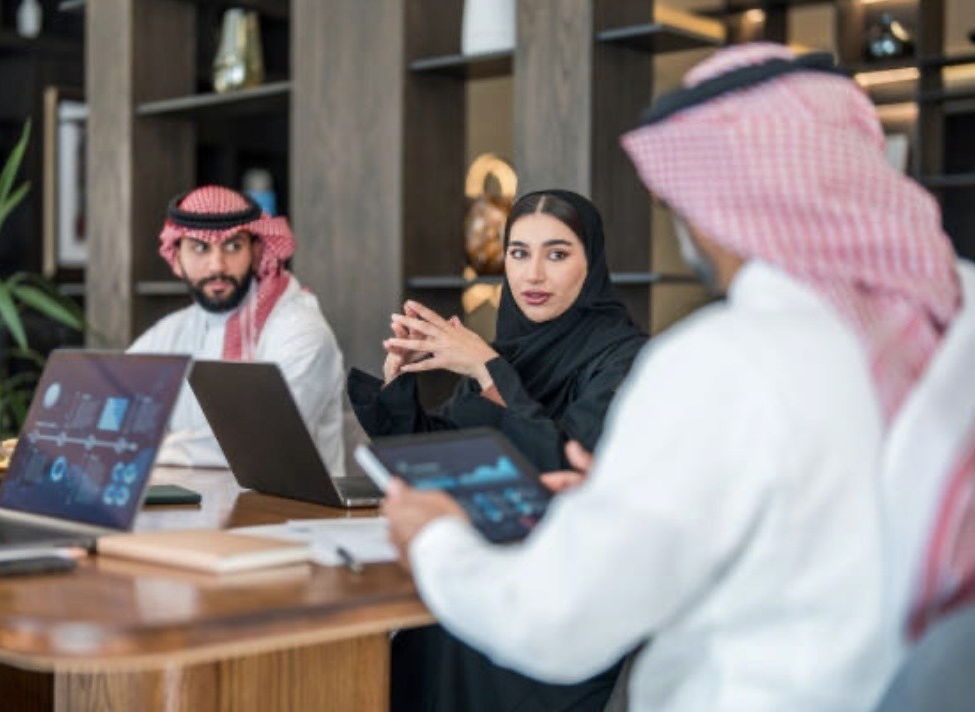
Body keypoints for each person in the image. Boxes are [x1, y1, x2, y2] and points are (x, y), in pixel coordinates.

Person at [381, 43, 975, 711]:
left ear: (711, 207)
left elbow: (556, 621)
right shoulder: (957, 317)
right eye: (520, 253)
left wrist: (432, 537)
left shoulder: (722, 361)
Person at [350, 189, 647, 711]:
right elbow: (446, 457)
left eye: (557, 254)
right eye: (518, 253)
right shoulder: (511, 348)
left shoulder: (624, 357)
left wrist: (489, 370)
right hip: (474, 581)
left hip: (549, 606)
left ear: (591, 263)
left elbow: (564, 467)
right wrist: (402, 383)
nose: (533, 275)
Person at [129, 185, 345, 473]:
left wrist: (160, 447)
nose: (217, 265)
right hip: (195, 507)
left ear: (256, 251)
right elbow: (112, 403)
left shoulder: (299, 331)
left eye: (233, 246)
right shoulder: (171, 332)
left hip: (293, 514)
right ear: (176, 257)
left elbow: (264, 443)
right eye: (200, 247)